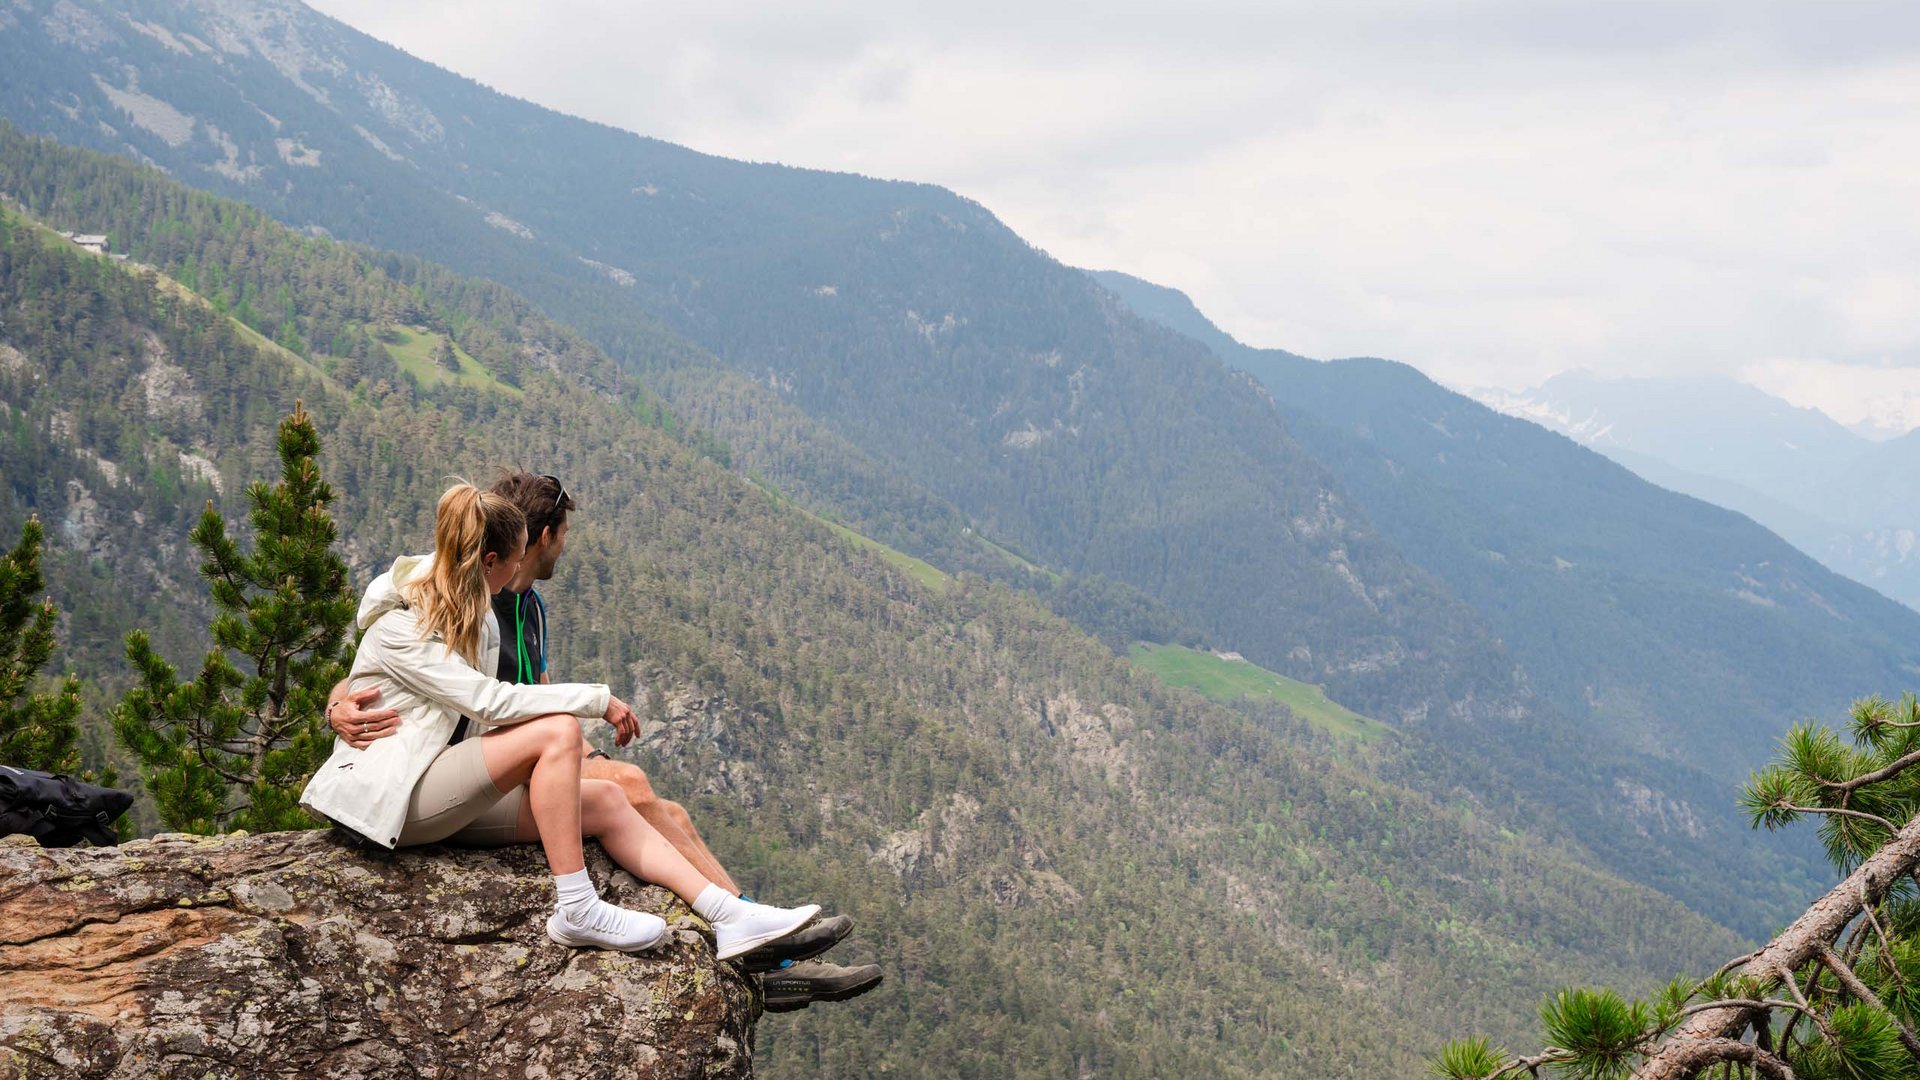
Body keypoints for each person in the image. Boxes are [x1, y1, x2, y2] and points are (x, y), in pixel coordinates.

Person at [325, 472, 882, 1011]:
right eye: (550, 541)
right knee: (588, 750)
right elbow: (434, 681)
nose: (534, 560)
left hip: (473, 769)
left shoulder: (513, 608)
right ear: (508, 551)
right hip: (410, 792)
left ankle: (736, 918)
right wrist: (336, 700)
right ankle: (584, 909)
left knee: (620, 798)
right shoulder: (420, 608)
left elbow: (491, 690)